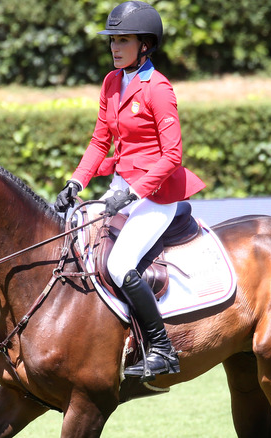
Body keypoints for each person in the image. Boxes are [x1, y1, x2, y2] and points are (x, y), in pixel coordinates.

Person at [54, 0, 205, 380]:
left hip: (156, 195)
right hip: (121, 187)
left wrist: (133, 193)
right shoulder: (110, 82)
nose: (115, 47)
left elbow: (172, 155)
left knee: (120, 265)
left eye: (123, 39)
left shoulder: (158, 88)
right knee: (78, 247)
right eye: (112, 40)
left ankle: (162, 349)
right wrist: (76, 181)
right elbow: (98, 141)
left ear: (145, 45)